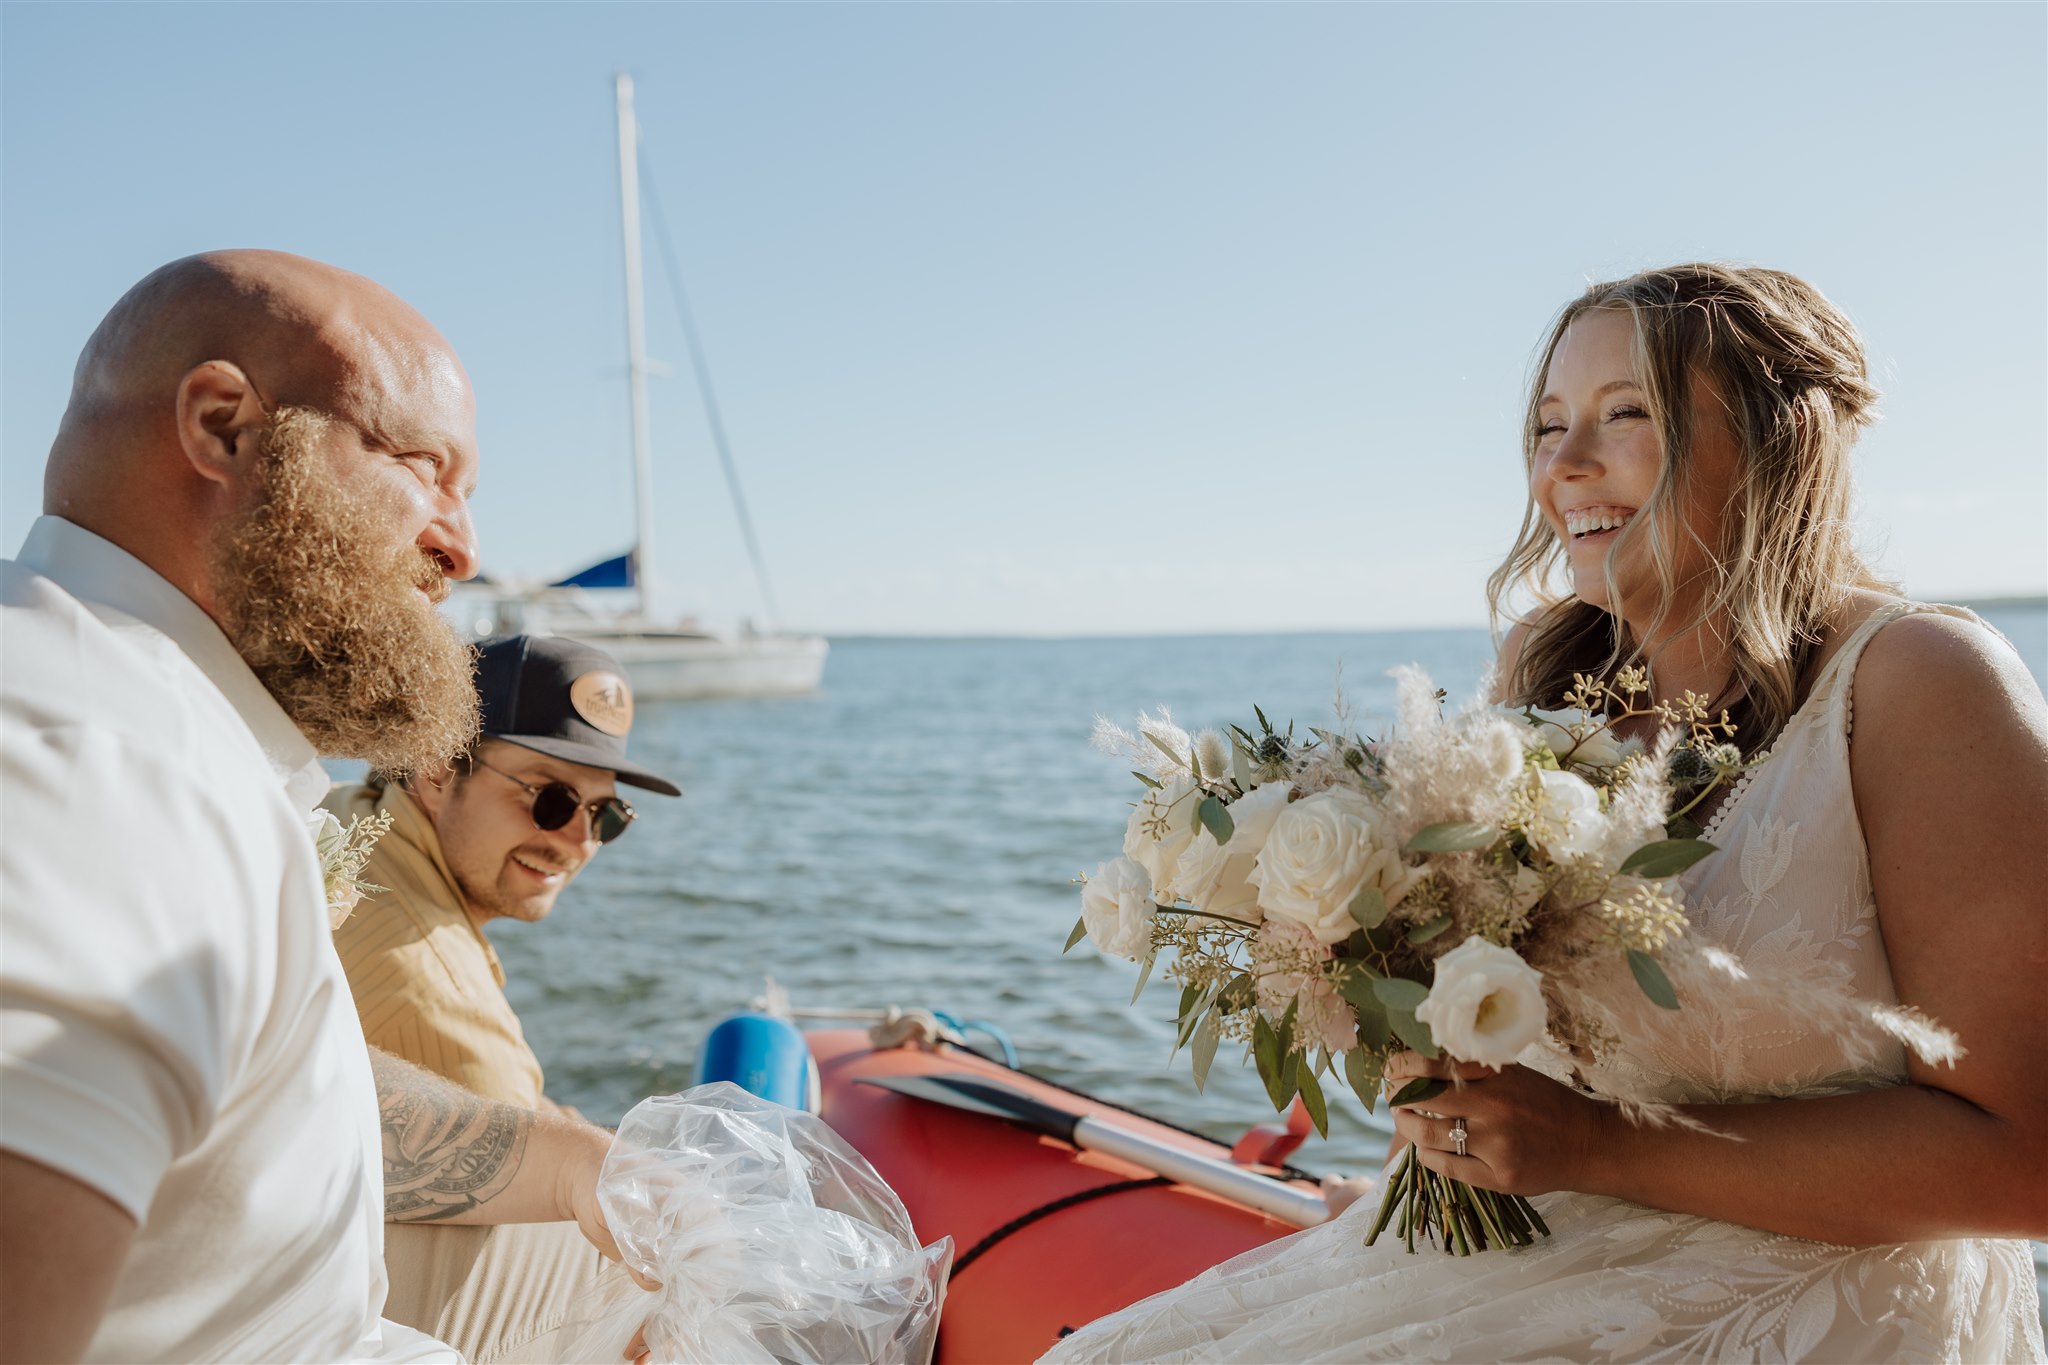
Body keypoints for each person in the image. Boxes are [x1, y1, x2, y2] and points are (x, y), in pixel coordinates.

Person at [1044, 264, 2047, 1362]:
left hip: (1826, 1296)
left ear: (1773, 441)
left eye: (1626, 416)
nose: (1563, 467)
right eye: (1546, 425)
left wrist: (1599, 1148)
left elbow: (2024, 1159)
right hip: (1553, 1240)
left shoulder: (1918, 682)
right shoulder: (1543, 667)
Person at [0, 251, 646, 1363]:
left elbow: (263, 1094)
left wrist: (574, 1164)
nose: (462, 545)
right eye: (422, 466)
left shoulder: (164, 729)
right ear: (223, 427)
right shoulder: (110, 768)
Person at [328, 633, 682, 1111]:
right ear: (439, 774)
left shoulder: (337, 811)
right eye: (550, 800)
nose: (580, 842)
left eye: (606, 814)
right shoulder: (445, 1005)